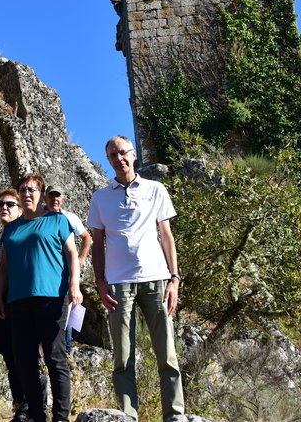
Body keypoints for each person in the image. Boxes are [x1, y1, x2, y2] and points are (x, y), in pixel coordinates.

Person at [88, 135, 185, 420]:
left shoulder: (155, 189)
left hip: (156, 280)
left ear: (133, 155)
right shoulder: (100, 198)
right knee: (122, 357)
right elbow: (97, 243)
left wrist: (174, 279)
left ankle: (174, 414)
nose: (119, 159)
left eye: (122, 153)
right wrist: (100, 282)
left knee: (167, 354)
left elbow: (166, 236)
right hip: (118, 284)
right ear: (109, 161)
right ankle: (128, 416)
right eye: (112, 156)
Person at [0, 174, 83, 422]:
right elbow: (3, 267)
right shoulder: (11, 228)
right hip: (18, 301)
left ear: (41, 193)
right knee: (24, 361)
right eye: (22, 190)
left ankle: (61, 417)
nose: (26, 194)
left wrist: (74, 285)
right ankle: (36, 414)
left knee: (56, 359)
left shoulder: (57, 220)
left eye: (31, 189)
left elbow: (72, 253)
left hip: (52, 298)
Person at [0, 188, 40, 422]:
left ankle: (35, 406)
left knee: (27, 357)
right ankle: (21, 406)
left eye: (10, 204)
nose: (4, 207)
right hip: (1, 307)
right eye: (0, 204)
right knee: (9, 356)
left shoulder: (26, 235)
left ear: (19, 209)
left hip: (24, 305)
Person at [44, 185, 92, 353]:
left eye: (58, 196)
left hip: (68, 272)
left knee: (69, 308)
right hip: (47, 273)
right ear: (45, 199)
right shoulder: (39, 216)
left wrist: (81, 258)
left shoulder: (70, 217)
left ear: (63, 199)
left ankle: (67, 350)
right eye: (51, 196)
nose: (54, 199)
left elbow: (87, 237)